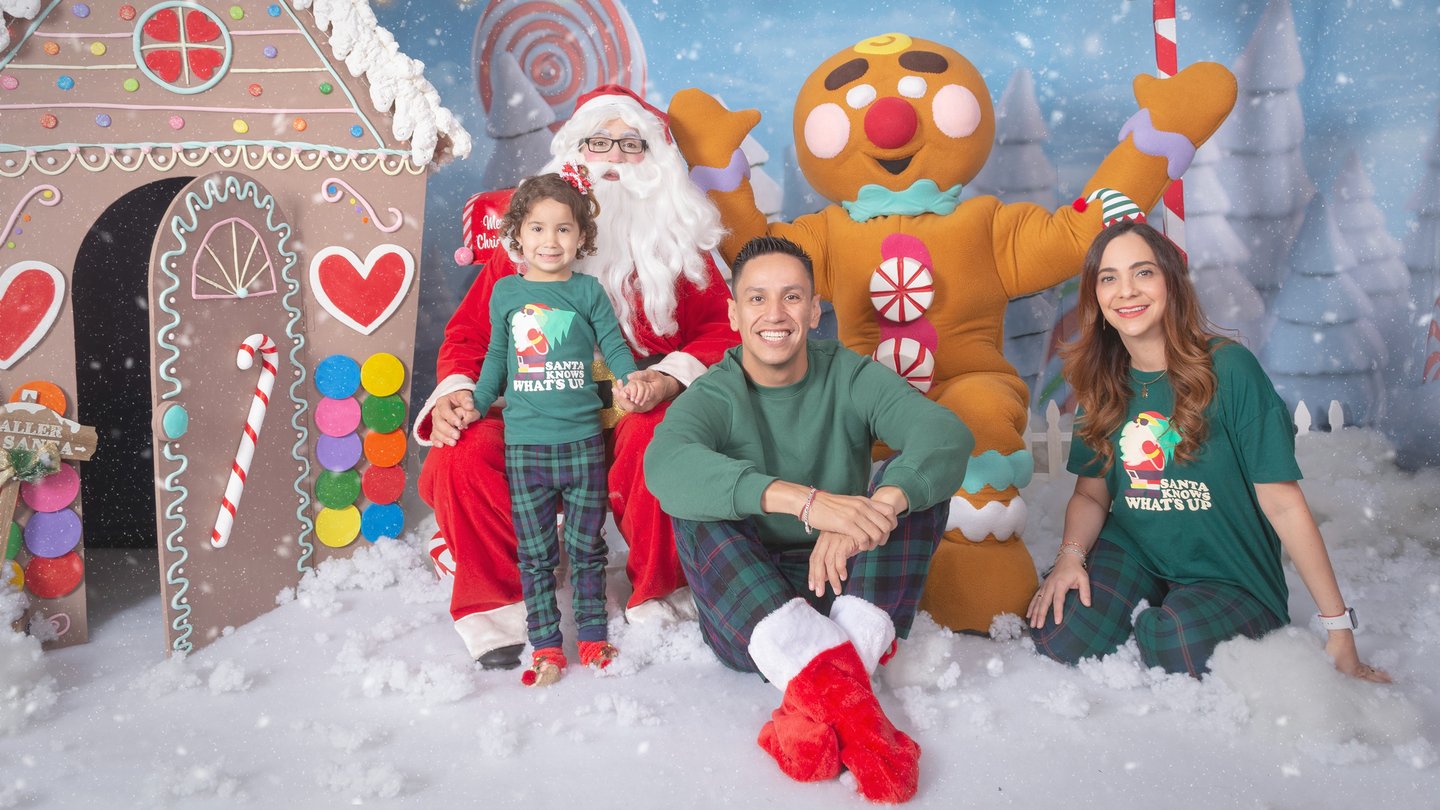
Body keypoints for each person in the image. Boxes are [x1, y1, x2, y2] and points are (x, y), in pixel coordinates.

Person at [414, 85, 737, 670]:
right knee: (462, 453)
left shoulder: (683, 246)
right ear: (573, 154)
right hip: (536, 409)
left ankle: (661, 591)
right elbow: (471, 339)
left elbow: (725, 332)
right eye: (598, 142)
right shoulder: (521, 253)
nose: (612, 158)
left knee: (659, 436)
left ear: (657, 160)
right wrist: (457, 394)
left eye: (630, 145)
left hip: (636, 404)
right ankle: (499, 610)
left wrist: (667, 378)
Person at [644, 236, 973, 803]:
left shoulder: (848, 374)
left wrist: (869, 512)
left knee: (910, 482)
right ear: (734, 312)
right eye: (757, 299)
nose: (775, 315)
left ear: (814, 309)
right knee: (698, 505)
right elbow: (664, 467)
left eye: (792, 297)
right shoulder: (716, 393)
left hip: (851, 590)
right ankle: (861, 715)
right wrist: (805, 501)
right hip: (753, 610)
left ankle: (817, 690)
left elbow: (945, 436)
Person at [1027, 220, 1391, 683]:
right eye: (1109, 277)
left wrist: (1339, 630)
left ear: (1171, 284)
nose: (1126, 291)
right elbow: (1092, 495)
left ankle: (1180, 614)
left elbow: (1283, 503)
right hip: (1138, 550)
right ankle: (1137, 599)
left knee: (1175, 643)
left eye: (1143, 272)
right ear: (1096, 300)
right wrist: (1070, 556)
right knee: (1059, 633)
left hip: (1228, 571)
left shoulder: (1229, 368)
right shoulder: (1102, 382)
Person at [470, 166, 652, 685]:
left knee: (586, 546)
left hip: (581, 445)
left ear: (582, 236)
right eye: (538, 228)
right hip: (525, 448)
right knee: (535, 554)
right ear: (518, 236)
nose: (551, 240)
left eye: (564, 229)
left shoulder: (589, 291)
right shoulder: (506, 293)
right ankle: (547, 646)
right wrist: (478, 404)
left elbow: (615, 345)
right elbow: (497, 359)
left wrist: (628, 376)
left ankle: (593, 637)